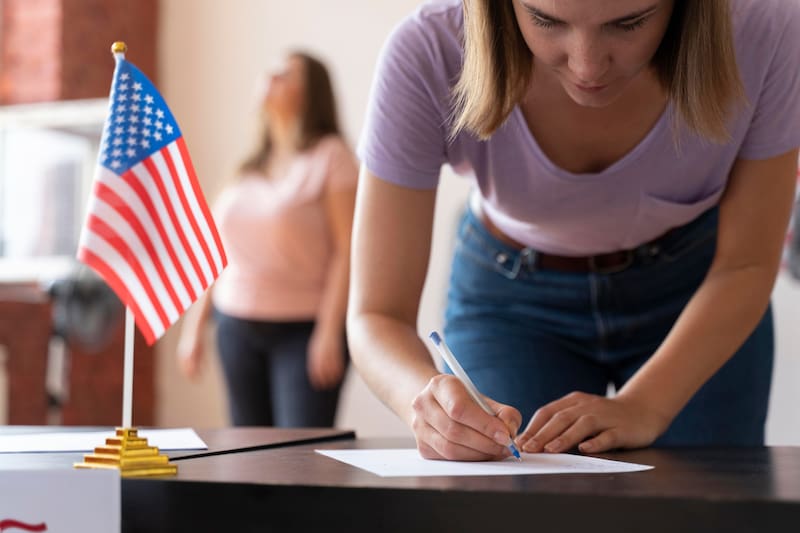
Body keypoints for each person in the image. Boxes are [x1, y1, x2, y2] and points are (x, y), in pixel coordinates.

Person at [348, 0, 800, 461]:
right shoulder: (427, 50)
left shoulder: (767, 26)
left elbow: (746, 264)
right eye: (545, 19)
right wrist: (419, 400)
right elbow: (377, 315)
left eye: (630, 22)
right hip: (511, 301)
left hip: (699, 291)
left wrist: (645, 404)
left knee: (708, 510)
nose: (586, 66)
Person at [178, 51, 357, 428]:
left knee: (297, 466)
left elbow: (347, 250)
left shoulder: (331, 157)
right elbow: (219, 253)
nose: (270, 76)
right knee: (246, 461)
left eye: (286, 73)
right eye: (269, 70)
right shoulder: (246, 168)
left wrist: (329, 331)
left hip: (303, 330)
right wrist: (194, 328)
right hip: (235, 328)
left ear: (311, 93)